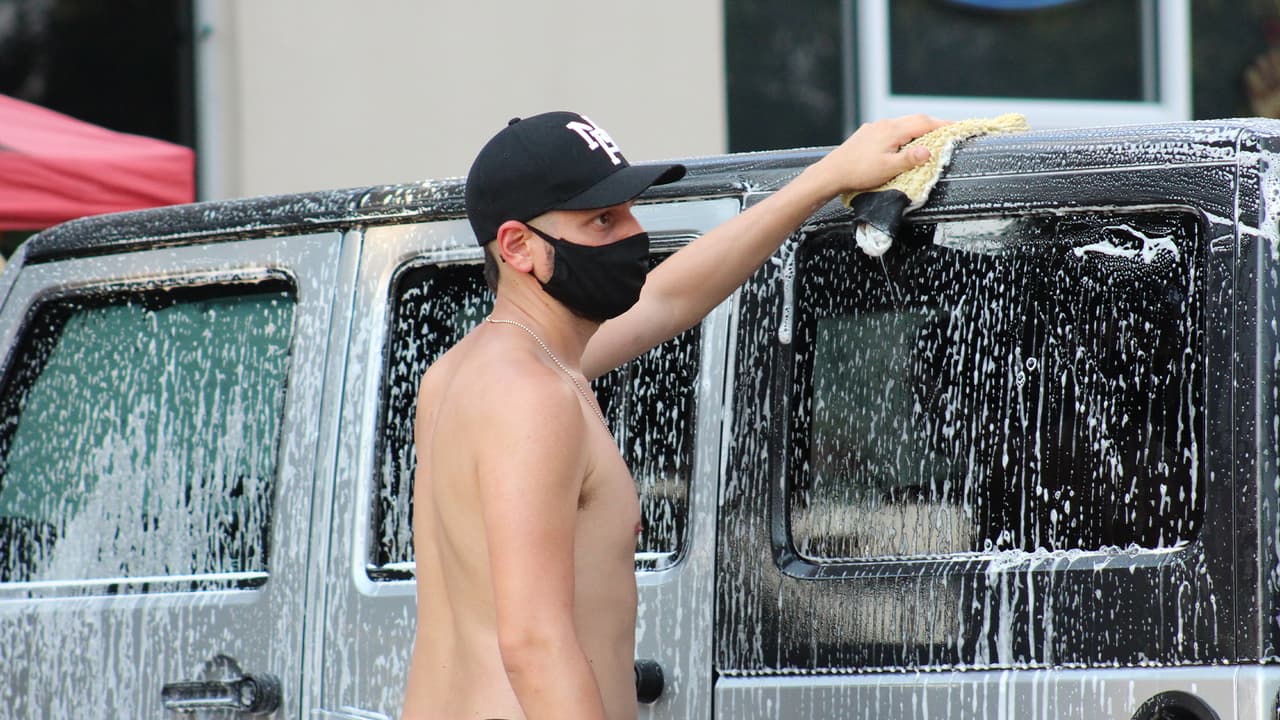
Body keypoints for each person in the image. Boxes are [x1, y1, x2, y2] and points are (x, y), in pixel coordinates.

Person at [401, 110, 945, 720]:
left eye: (631, 210)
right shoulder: (532, 395)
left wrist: (826, 177)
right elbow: (533, 645)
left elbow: (668, 298)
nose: (634, 234)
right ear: (518, 246)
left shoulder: (467, 373)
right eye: (603, 219)